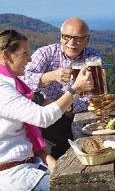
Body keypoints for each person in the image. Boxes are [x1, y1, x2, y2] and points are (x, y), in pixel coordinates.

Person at [0, 29, 93, 190]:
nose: (30, 59)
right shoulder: (3, 88)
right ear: (7, 55)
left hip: (32, 165)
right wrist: (74, 90)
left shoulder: (12, 83)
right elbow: (43, 118)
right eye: (25, 54)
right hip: (16, 176)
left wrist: (49, 160)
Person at [23, 17, 102, 159]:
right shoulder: (46, 53)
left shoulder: (93, 57)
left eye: (78, 38)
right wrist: (50, 76)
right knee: (57, 159)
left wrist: (68, 106)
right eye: (67, 37)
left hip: (81, 118)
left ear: (87, 40)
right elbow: (23, 80)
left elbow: (95, 96)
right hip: (50, 122)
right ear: (61, 37)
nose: (71, 43)